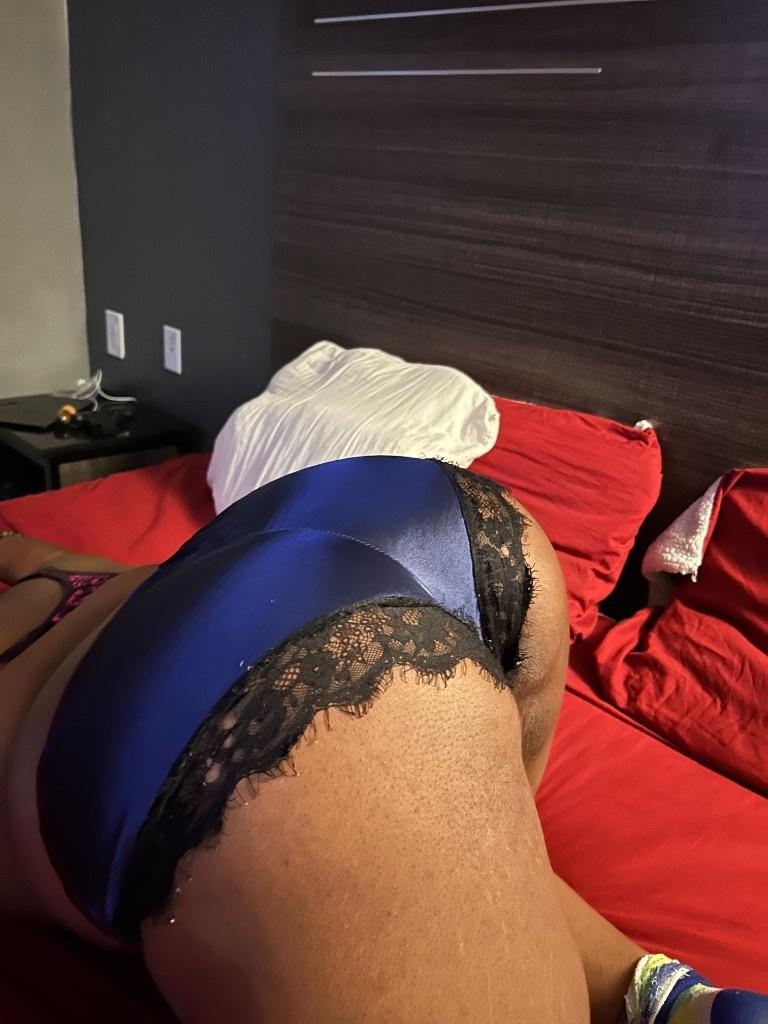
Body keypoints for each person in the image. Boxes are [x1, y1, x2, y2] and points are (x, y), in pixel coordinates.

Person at [0, 457, 764, 1024]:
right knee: (459, 828)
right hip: (407, 513)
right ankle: (661, 995)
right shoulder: (63, 568)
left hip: (205, 690)